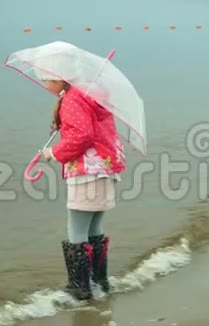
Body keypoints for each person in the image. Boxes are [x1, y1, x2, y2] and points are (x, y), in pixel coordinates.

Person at [40, 77, 126, 300]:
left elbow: (83, 135)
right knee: (94, 225)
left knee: (77, 228)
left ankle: (80, 288)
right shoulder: (91, 96)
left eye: (47, 79)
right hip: (105, 167)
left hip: (86, 172)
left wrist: (54, 152)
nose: (45, 85)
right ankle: (99, 283)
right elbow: (92, 131)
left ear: (61, 78)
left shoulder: (72, 99)